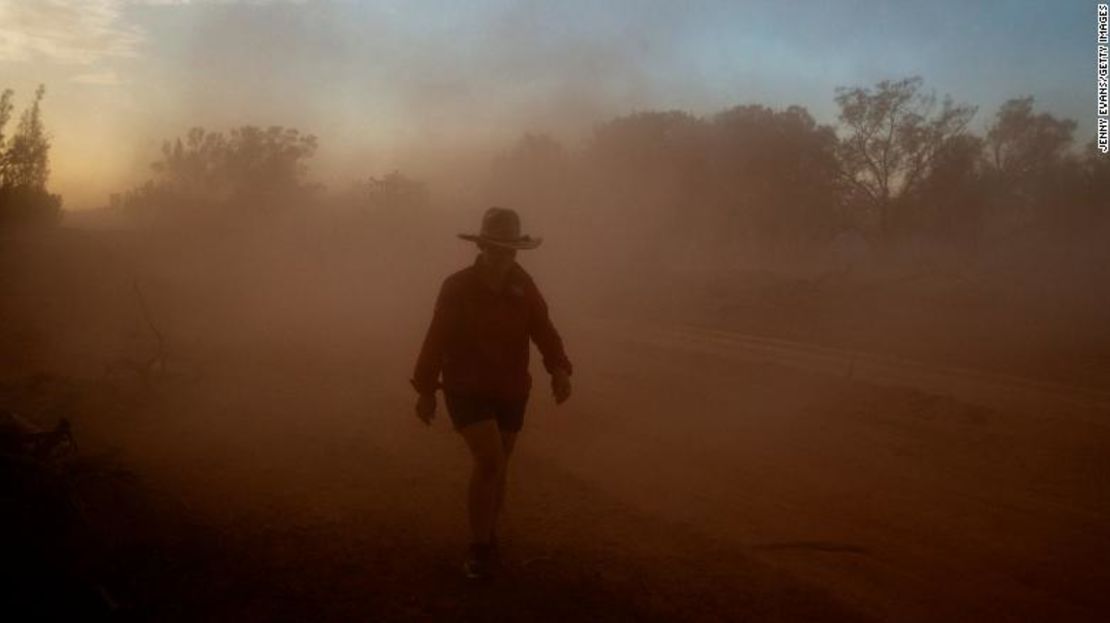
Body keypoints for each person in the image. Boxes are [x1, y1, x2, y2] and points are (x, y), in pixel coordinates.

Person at [411, 206, 573, 580]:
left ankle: (489, 535)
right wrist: (425, 389)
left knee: (500, 463)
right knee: (489, 461)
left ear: (517, 251)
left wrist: (559, 369)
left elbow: (543, 330)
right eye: (496, 249)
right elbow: (437, 337)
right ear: (482, 246)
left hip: (511, 388)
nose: (503, 257)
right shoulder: (457, 287)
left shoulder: (523, 285)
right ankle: (479, 547)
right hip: (466, 386)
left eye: (510, 250)